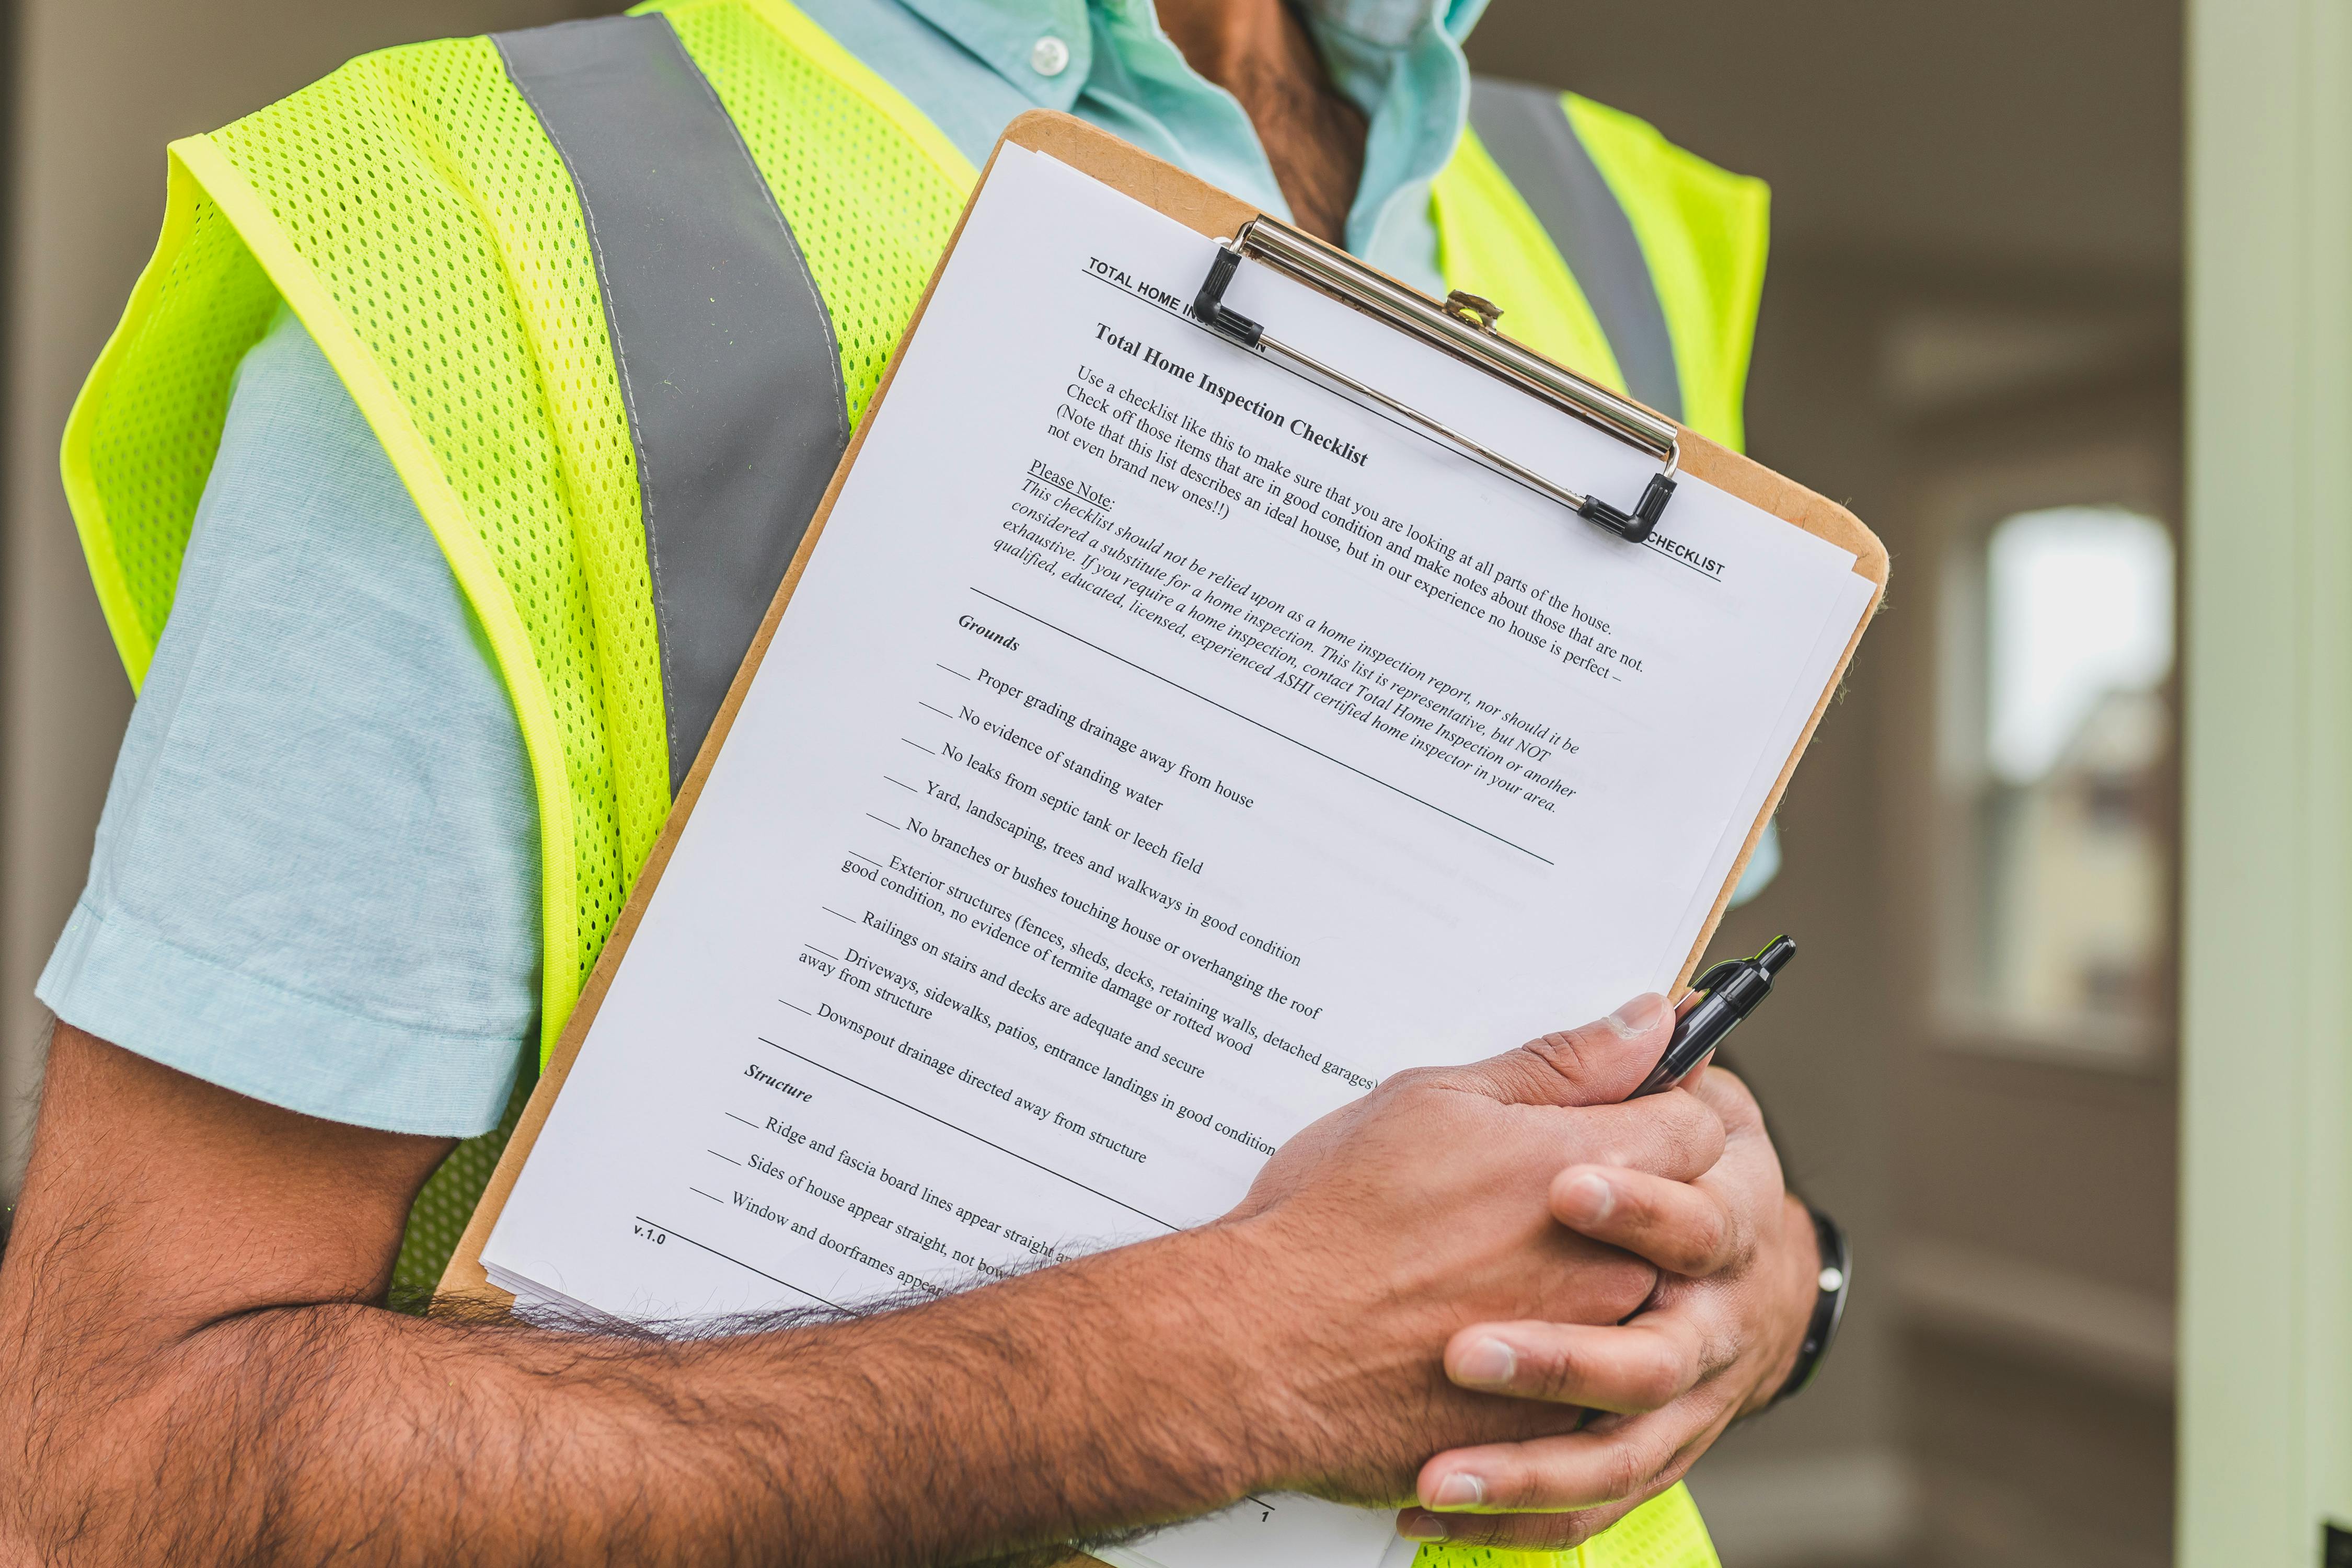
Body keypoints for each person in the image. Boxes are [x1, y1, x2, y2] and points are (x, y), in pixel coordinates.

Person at [0, 0, 1832, 1560]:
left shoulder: (1609, 216)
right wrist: (1227, 1362)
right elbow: (111, 1474)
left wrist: (1765, 1291)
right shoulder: (487, 226)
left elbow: (1605, 1053)